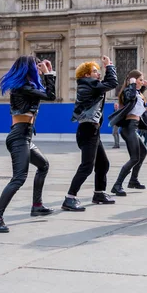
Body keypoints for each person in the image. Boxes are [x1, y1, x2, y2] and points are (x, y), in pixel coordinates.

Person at [0, 56, 57, 233]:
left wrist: (47, 73)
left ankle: (37, 205)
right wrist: (48, 73)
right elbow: (51, 95)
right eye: (36, 65)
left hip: (25, 137)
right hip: (19, 137)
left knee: (43, 165)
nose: (39, 67)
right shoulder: (23, 88)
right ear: (29, 68)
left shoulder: (27, 86)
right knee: (19, 178)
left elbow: (42, 92)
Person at [62, 56, 118, 211]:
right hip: (88, 130)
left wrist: (107, 70)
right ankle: (69, 198)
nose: (97, 74)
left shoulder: (91, 84)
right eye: (94, 71)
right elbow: (112, 83)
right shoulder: (88, 84)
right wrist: (110, 66)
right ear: (86, 75)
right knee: (87, 166)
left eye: (98, 71)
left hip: (91, 130)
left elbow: (106, 85)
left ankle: (99, 193)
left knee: (103, 163)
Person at [110, 70, 147, 196]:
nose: (142, 82)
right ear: (133, 80)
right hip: (128, 128)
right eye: (140, 80)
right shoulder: (128, 91)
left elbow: (136, 101)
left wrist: (144, 87)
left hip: (135, 127)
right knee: (134, 158)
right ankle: (117, 185)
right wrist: (132, 84)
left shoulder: (136, 92)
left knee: (143, 152)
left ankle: (133, 180)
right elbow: (130, 98)